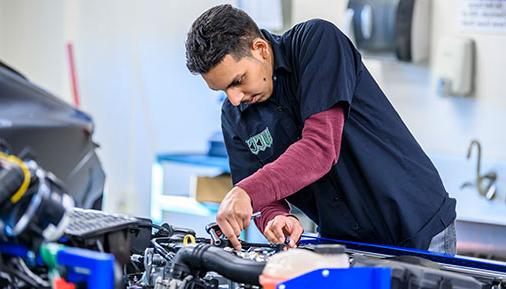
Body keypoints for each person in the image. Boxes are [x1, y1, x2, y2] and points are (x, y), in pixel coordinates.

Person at [184, 4, 457, 254]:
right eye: (223, 90)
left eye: (238, 81)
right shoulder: (234, 117)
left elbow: (319, 149)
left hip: (416, 226)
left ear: (260, 49)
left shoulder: (316, 43)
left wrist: (247, 192)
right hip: (345, 244)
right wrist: (276, 217)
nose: (234, 98)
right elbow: (263, 198)